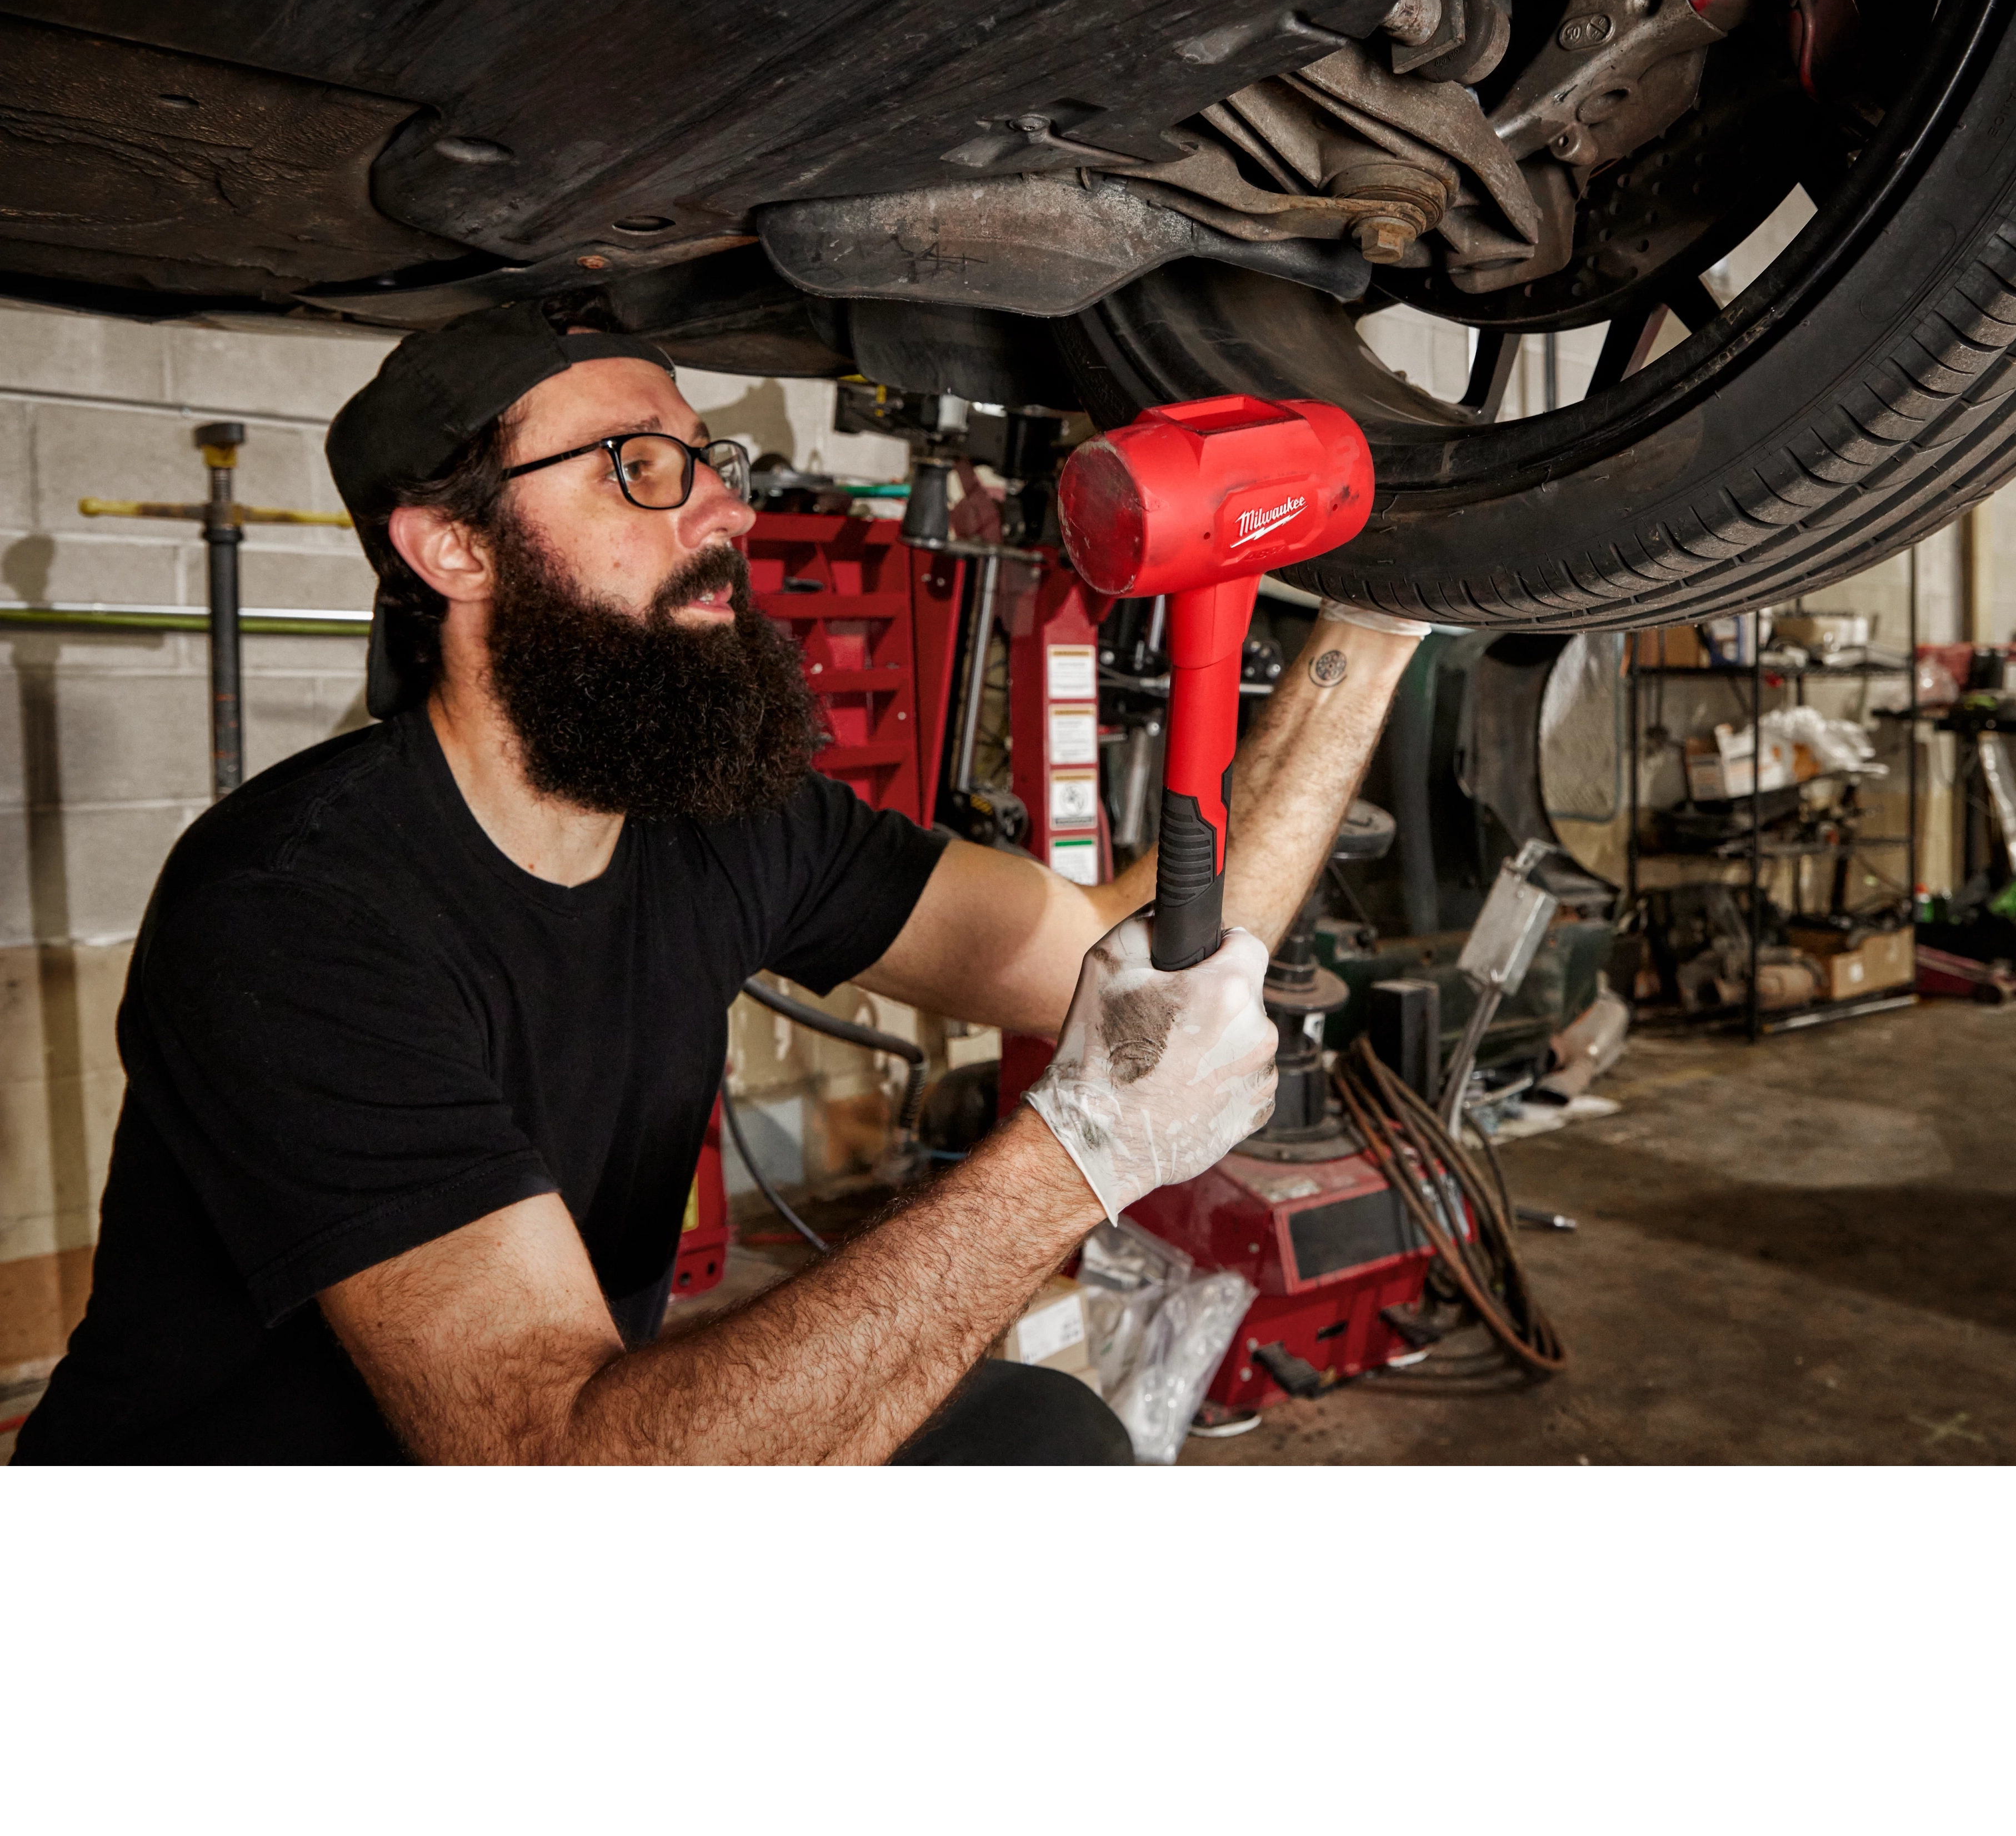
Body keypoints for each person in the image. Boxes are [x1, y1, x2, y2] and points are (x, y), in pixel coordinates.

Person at [14, 304, 1431, 1466]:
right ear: (450, 546)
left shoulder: (719, 822)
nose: (723, 516)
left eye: (709, 464)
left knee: (1031, 1437)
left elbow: (1128, 957)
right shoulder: (298, 911)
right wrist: (1080, 1151)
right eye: (637, 467)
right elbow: (548, 1450)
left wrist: (1384, 621)